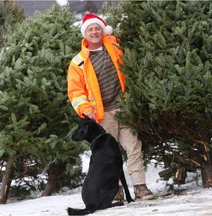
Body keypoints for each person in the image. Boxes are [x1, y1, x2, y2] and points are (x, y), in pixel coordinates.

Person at [67, 13, 155, 200]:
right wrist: (85, 109)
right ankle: (115, 192)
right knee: (108, 156)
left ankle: (140, 188)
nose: (94, 32)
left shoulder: (116, 47)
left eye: (97, 28)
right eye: (90, 29)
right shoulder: (78, 63)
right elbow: (75, 92)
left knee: (134, 147)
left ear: (103, 30)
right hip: (102, 115)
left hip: (124, 108)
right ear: (85, 34)